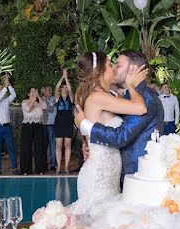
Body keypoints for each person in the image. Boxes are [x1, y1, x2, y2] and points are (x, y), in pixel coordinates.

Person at [76, 49, 155, 199]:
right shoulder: (98, 97)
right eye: (109, 65)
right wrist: (131, 86)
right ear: (100, 72)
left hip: (110, 175)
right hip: (100, 175)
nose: (113, 69)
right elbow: (140, 108)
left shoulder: (109, 96)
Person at [0, 74, 18, 175]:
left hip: (7, 127)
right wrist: (5, 87)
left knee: (11, 147)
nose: (0, 89)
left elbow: (14, 95)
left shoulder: (6, 100)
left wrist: (8, 85)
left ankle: (14, 168)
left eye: (1, 87)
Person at [53, 70, 75, 175]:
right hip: (59, 122)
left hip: (68, 122)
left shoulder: (70, 99)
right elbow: (56, 87)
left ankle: (66, 167)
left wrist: (66, 78)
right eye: (64, 88)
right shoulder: (58, 98)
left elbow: (71, 89)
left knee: (68, 144)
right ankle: (58, 167)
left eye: (66, 88)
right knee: (58, 144)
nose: (65, 89)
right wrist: (63, 76)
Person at [20, 87, 46, 175]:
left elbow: (45, 107)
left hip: (38, 126)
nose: (33, 93)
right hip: (27, 126)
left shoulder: (39, 103)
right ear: (28, 94)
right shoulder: (24, 102)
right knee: (26, 147)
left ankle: (40, 169)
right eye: (32, 91)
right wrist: (32, 100)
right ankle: (25, 170)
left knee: (39, 147)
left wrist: (38, 97)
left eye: (35, 91)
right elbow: (28, 109)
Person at [41, 85, 57, 171]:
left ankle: (53, 164)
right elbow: (49, 109)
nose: (49, 91)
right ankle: (45, 164)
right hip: (46, 125)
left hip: (53, 124)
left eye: (50, 90)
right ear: (43, 92)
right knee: (46, 145)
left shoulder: (54, 98)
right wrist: (52, 103)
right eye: (47, 90)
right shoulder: (42, 99)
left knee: (53, 144)